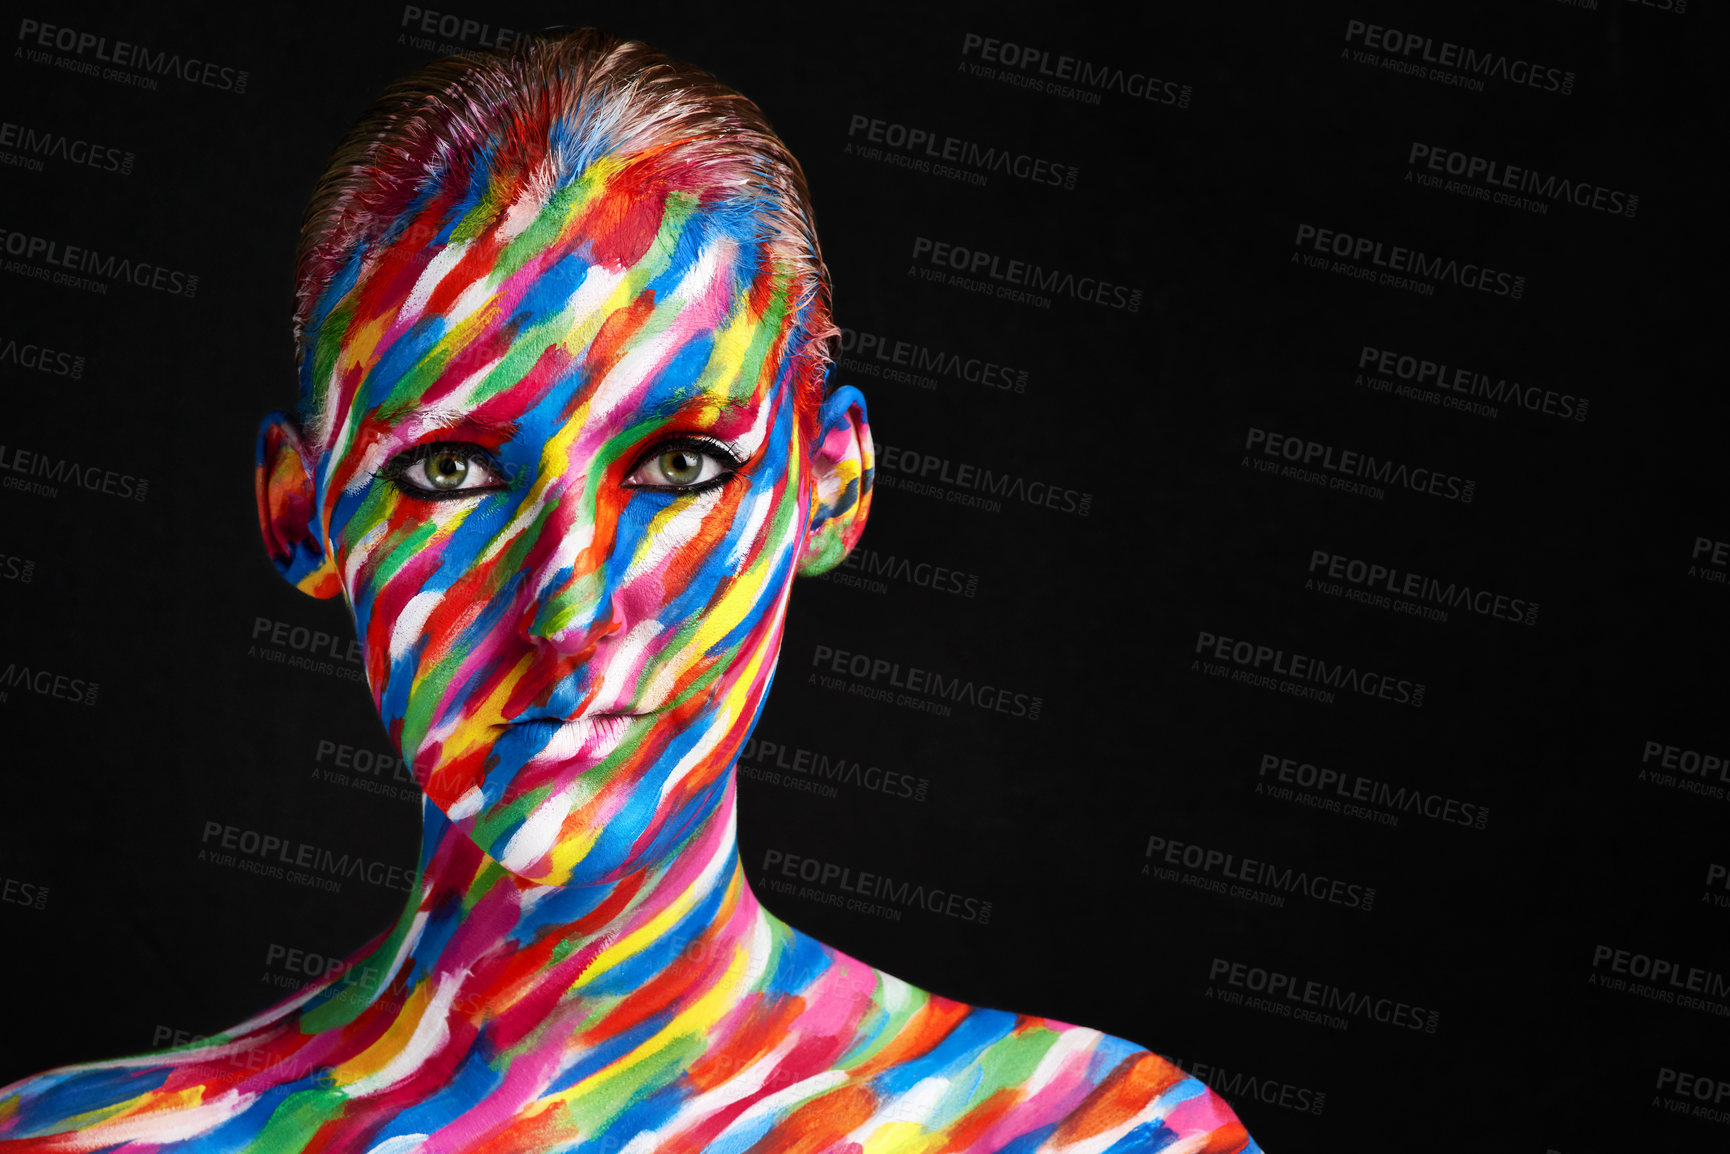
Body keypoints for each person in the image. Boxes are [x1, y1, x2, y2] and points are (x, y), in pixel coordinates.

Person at [0, 30, 1259, 1153]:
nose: (568, 605)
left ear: (827, 483)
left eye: (678, 464)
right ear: (301, 506)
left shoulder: (1095, 1137)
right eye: (449, 470)